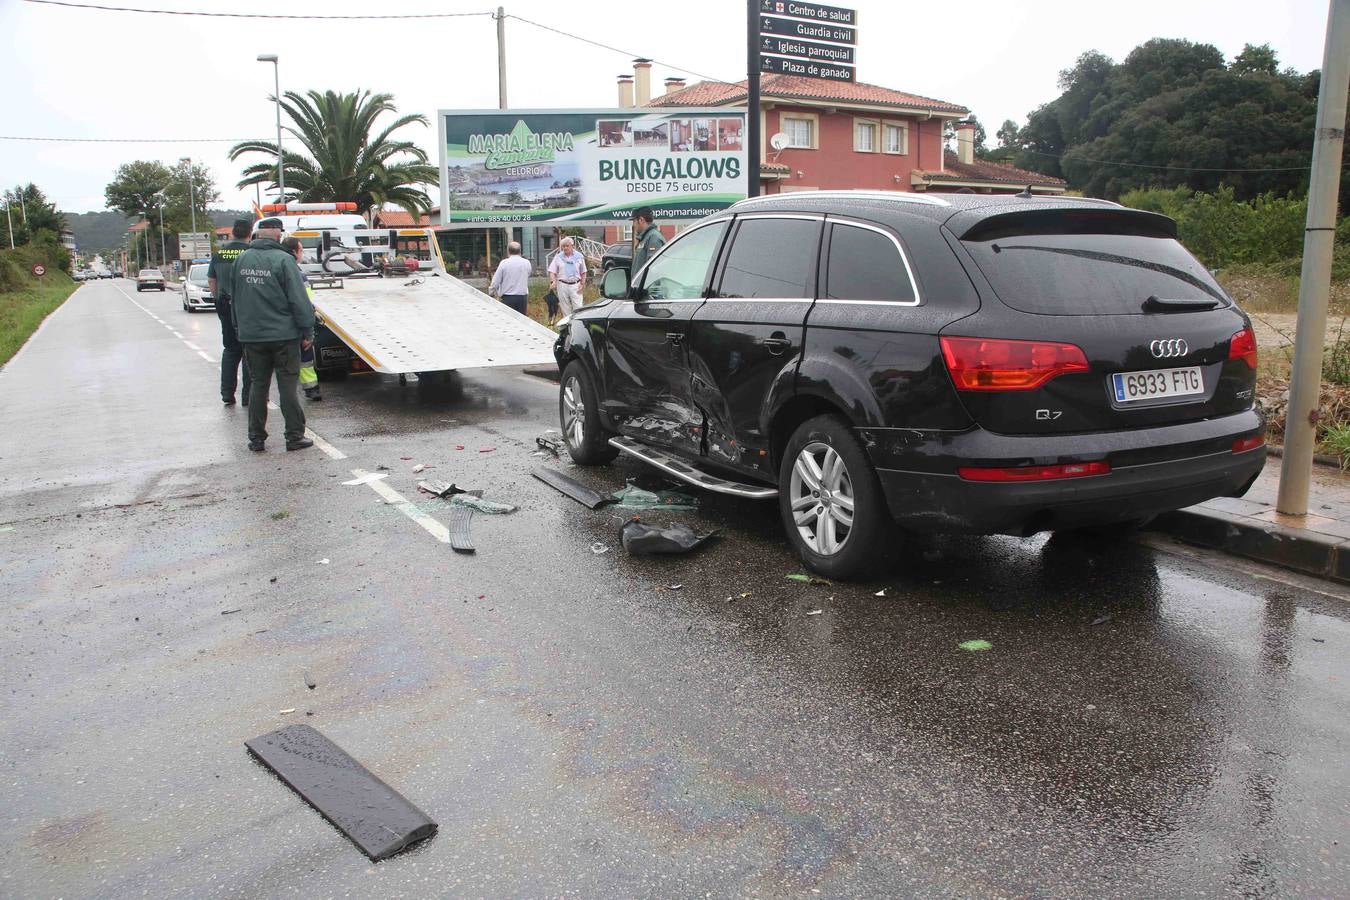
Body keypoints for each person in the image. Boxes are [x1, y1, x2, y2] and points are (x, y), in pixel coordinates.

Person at [228, 221, 315, 452]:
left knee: (258, 385)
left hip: (252, 336)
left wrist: (239, 328)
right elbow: (299, 300)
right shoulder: (284, 260)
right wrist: (308, 330)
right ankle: (294, 436)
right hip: (283, 336)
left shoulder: (241, 260)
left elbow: (233, 298)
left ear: (256, 236)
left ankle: (256, 438)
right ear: (278, 238)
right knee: (287, 385)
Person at [207, 219, 253, 406]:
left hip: (226, 306)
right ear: (250, 234)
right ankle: (248, 396)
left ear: (233, 233)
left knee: (230, 350)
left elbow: (212, 280)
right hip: (248, 308)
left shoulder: (219, 255)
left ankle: (227, 393)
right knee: (249, 352)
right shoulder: (250, 253)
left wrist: (219, 300)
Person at [282, 236, 322, 401]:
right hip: (297, 324)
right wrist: (309, 332)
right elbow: (306, 302)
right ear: (294, 252)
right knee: (305, 356)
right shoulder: (297, 273)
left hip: (280, 323)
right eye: (301, 250)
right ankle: (311, 389)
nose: (302, 254)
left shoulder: (278, 268)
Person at [488, 241, 532, 315]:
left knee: (508, 321)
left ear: (508, 251)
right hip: (522, 298)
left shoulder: (504, 263)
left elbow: (496, 281)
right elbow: (528, 274)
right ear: (520, 251)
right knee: (521, 321)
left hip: (507, 298)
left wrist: (491, 292)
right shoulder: (526, 263)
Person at [548, 236, 587, 317]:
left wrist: (582, 284)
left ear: (572, 246)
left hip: (576, 285)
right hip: (562, 285)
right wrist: (553, 281)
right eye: (563, 246)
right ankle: (567, 326)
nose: (565, 248)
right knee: (565, 308)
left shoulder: (579, 256)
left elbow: (583, 271)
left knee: (578, 307)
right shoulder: (558, 257)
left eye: (567, 246)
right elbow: (552, 271)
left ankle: (577, 325)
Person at [630, 206, 666, 276]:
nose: (634, 225)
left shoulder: (654, 238)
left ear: (641, 220)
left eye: (634, 221)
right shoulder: (645, 237)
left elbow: (653, 269)